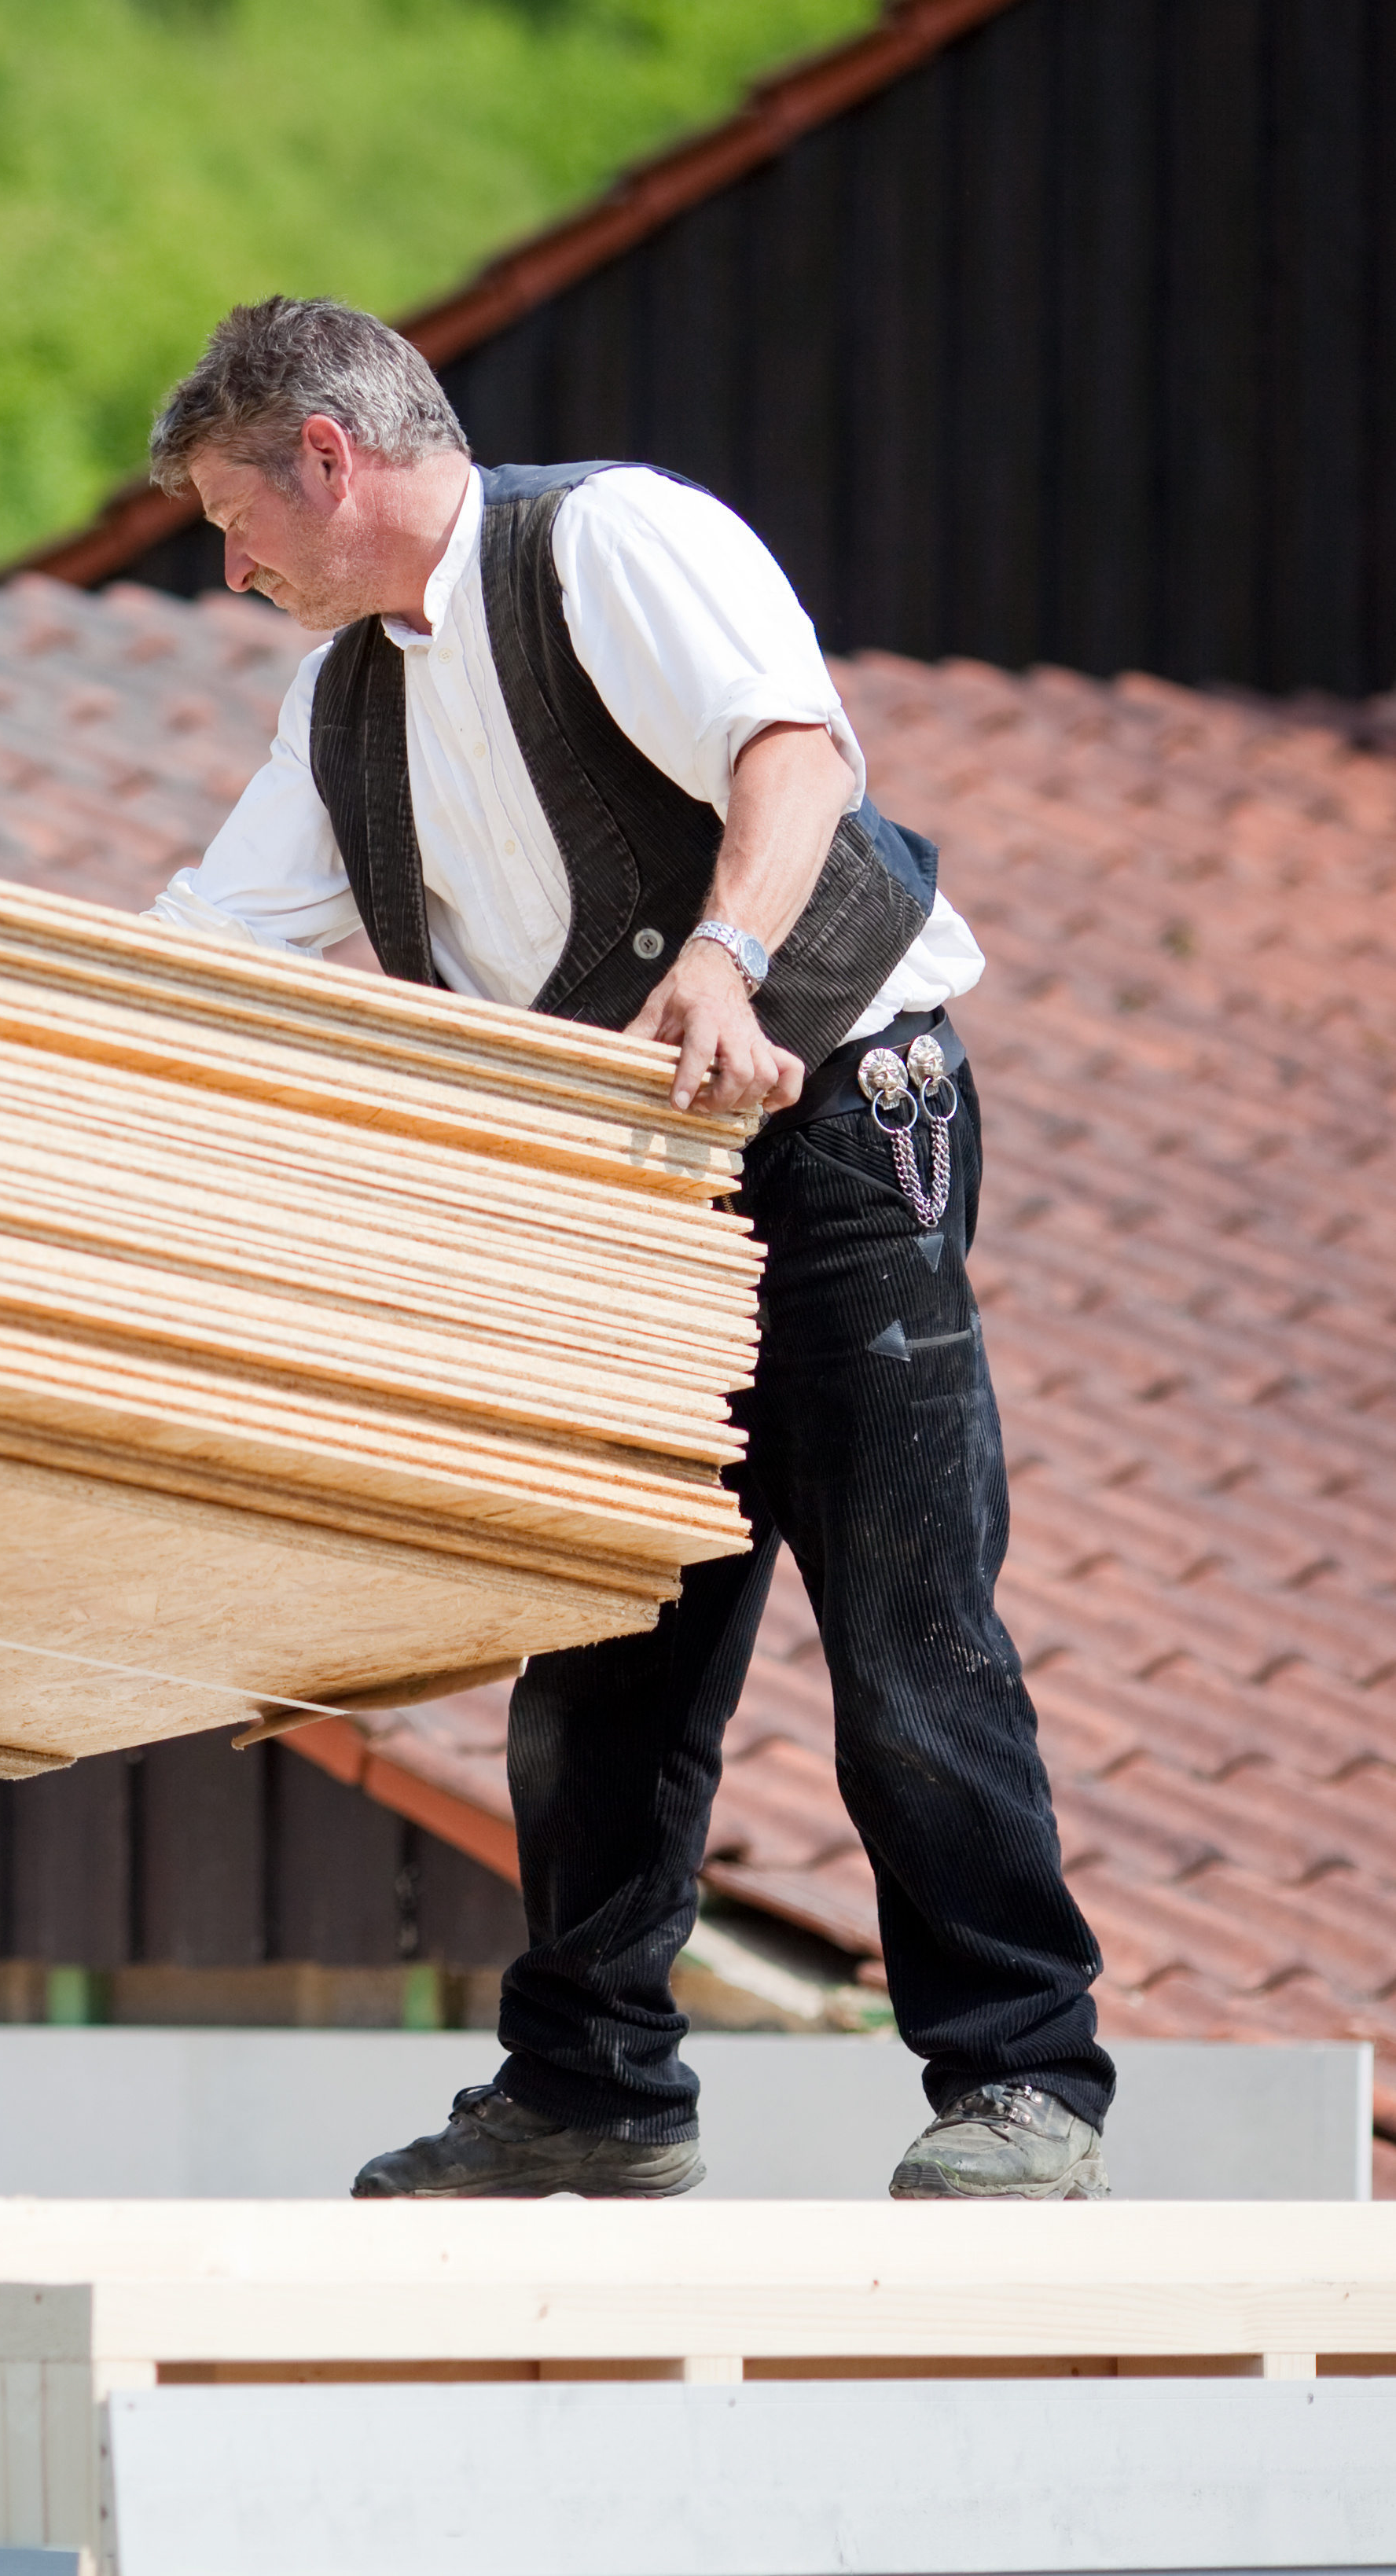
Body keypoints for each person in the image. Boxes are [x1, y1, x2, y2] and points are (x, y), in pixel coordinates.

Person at [138, 298, 1112, 2200]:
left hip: (837, 1132)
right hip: (623, 1200)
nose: (228, 564)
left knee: (905, 1634)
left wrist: (726, 961)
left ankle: (1023, 2088)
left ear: (326, 458)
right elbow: (199, 952)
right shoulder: (343, 704)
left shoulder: (608, 540)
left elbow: (796, 756)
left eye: (230, 518)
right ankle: (592, 2098)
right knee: (600, 1662)